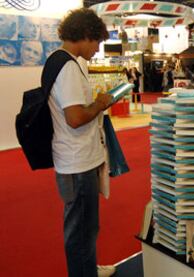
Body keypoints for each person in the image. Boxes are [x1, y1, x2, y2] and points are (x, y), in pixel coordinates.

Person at [48, 8, 115, 277]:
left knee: (82, 226)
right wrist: (99, 105)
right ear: (85, 35)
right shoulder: (68, 67)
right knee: (82, 229)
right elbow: (75, 117)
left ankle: (87, 268)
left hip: (71, 158)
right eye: (97, 41)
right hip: (78, 161)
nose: (97, 49)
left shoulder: (57, 59)